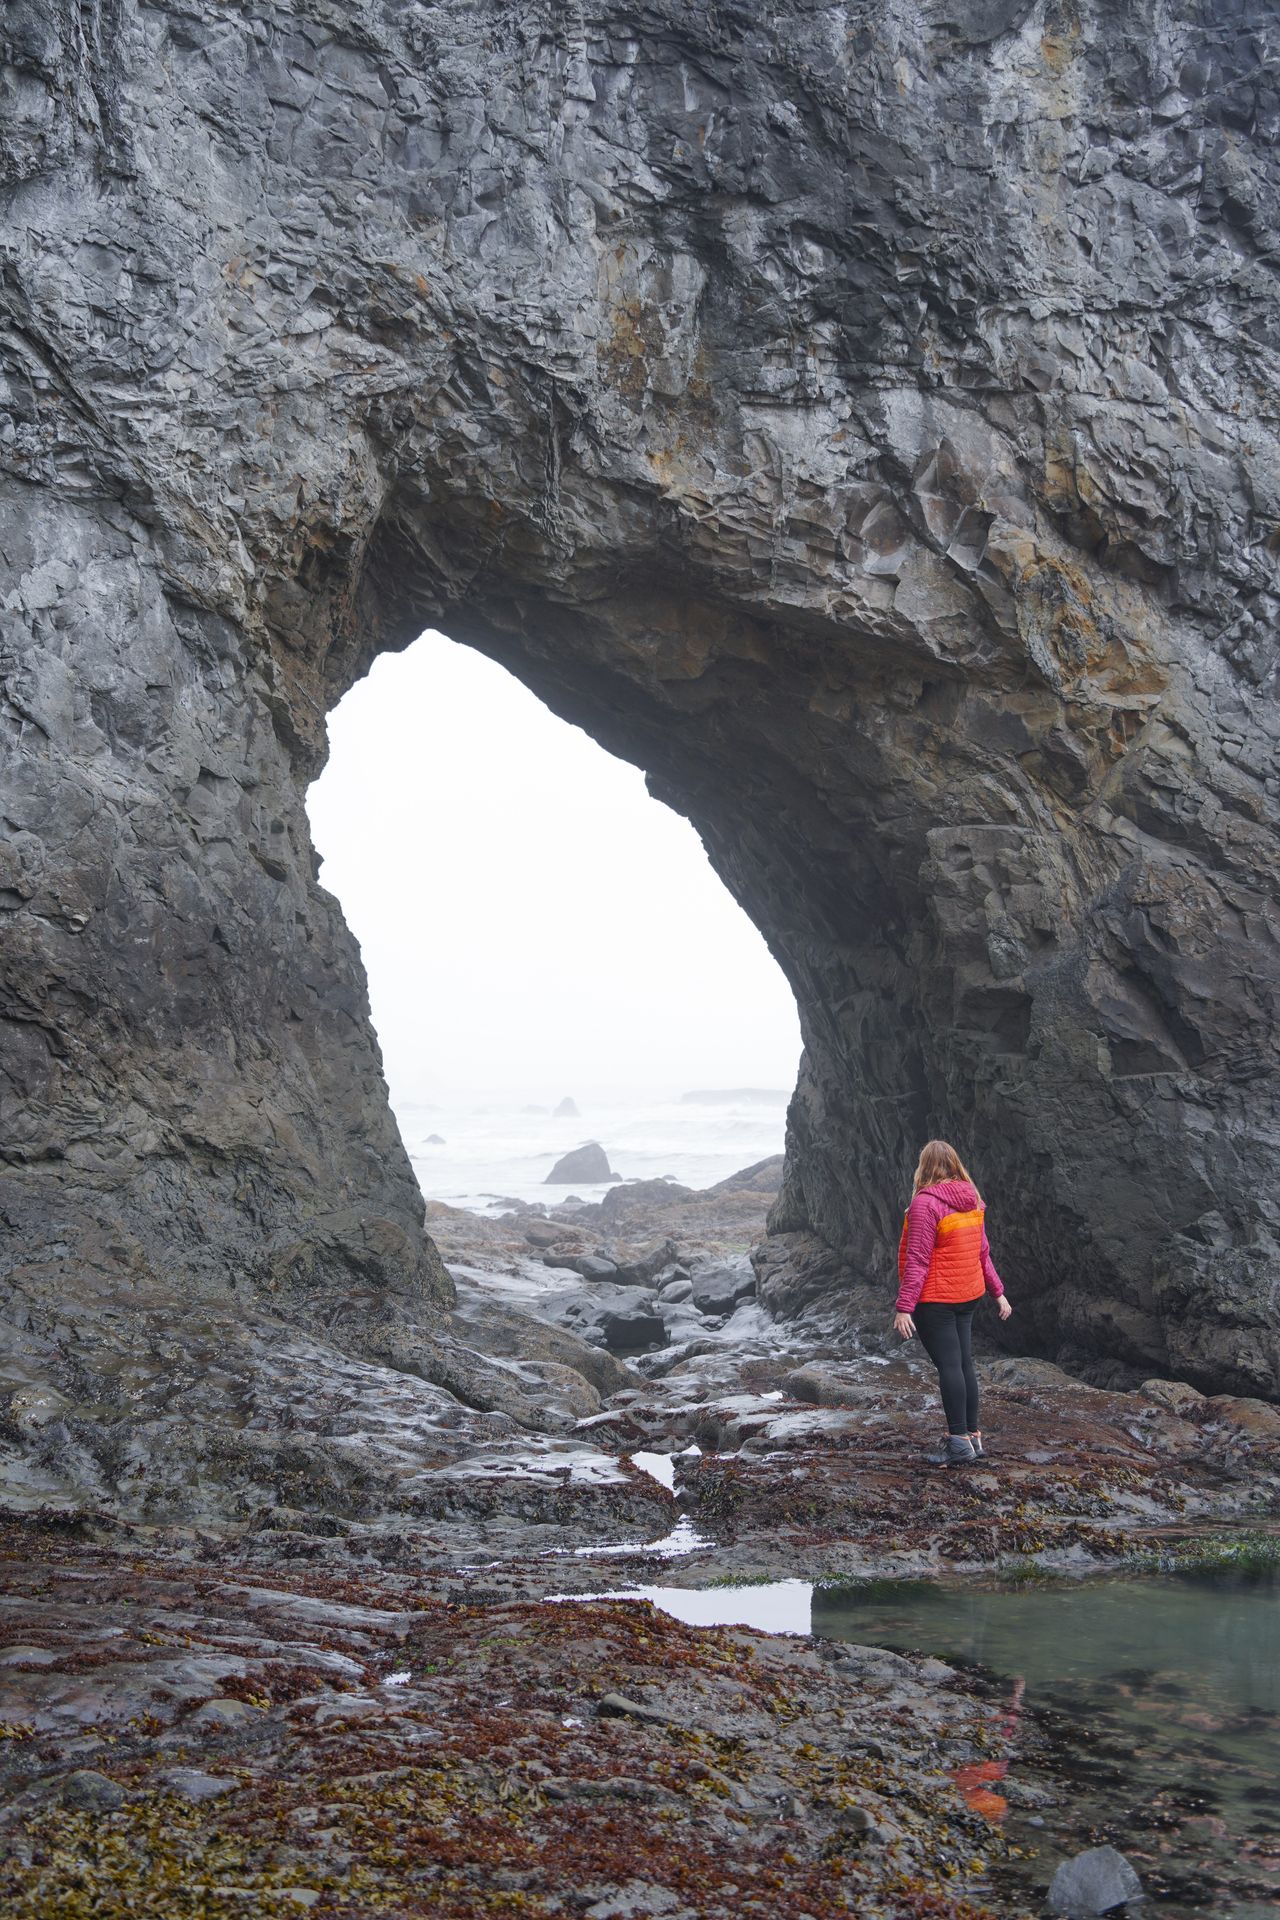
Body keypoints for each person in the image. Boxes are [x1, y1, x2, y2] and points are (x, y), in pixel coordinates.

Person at [893, 1139, 1012, 1466]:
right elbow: (983, 1252)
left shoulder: (925, 1204)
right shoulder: (972, 1199)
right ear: (955, 1164)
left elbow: (917, 1260)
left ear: (924, 1166)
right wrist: (997, 1292)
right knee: (963, 1364)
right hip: (968, 1295)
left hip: (937, 1300)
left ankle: (958, 1442)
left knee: (950, 1366)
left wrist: (904, 1306)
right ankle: (973, 1439)